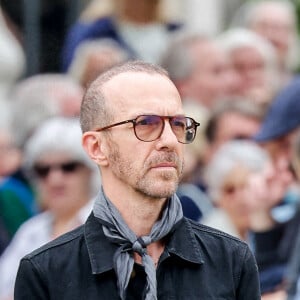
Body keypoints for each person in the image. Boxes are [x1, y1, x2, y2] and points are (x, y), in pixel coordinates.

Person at [14, 60, 260, 299]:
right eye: (146, 123)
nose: (169, 140)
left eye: (177, 123)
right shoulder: (45, 274)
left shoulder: (231, 261)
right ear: (97, 147)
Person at [0, 117, 99, 300]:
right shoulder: (30, 231)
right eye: (43, 170)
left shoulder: (105, 225)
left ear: (90, 171)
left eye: (68, 167)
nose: (55, 180)